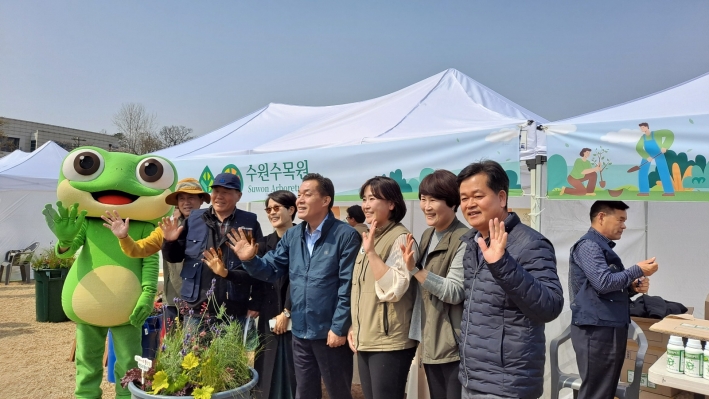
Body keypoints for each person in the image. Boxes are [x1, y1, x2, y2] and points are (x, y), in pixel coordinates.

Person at [228, 173, 361, 399]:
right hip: (300, 332)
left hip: (329, 332)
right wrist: (250, 259)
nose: (299, 200)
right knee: (304, 391)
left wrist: (338, 327)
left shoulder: (345, 235)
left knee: (338, 391)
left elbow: (348, 286)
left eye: (307, 194)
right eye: (299, 195)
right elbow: (270, 270)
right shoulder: (293, 235)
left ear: (326, 200)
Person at [456, 160, 563, 399]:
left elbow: (550, 307)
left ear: (501, 197)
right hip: (471, 380)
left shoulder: (531, 243)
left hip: (507, 386)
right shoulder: (472, 244)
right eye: (464, 198)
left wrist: (502, 263)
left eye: (477, 195)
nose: (469, 204)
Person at [569, 201, 658, 399]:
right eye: (620, 219)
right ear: (601, 217)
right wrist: (637, 269)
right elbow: (603, 282)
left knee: (605, 390)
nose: (624, 226)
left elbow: (605, 289)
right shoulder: (589, 246)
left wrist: (631, 288)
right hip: (596, 330)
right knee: (596, 392)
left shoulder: (599, 246)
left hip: (606, 328)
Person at [102, 177, 211, 326]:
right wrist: (124, 237)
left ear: (201, 200)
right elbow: (138, 249)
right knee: (172, 346)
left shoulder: (211, 227)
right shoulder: (166, 227)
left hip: (203, 298)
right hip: (174, 298)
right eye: (182, 198)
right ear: (177, 203)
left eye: (191, 197)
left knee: (200, 346)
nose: (186, 202)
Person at [347, 176, 418, 399]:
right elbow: (361, 290)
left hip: (390, 341)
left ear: (391, 204)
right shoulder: (371, 237)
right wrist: (354, 327)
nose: (366, 205)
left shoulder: (401, 238)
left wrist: (371, 253)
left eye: (373, 198)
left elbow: (393, 290)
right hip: (367, 337)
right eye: (364, 199)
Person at [161, 173, 264, 326]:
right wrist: (169, 242)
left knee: (232, 350)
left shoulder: (249, 222)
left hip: (234, 308)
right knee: (192, 350)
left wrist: (256, 302)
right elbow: (174, 257)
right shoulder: (194, 219)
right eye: (216, 191)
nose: (219, 196)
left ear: (239, 196)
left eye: (226, 192)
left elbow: (259, 268)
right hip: (196, 309)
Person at [402, 170, 467, 399]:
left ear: (452, 202)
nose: (426, 206)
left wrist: (416, 270)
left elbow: (455, 291)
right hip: (430, 338)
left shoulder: (464, 239)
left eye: (434, 200)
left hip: (452, 345)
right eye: (423, 199)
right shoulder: (428, 234)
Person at [253, 190, 298, 399]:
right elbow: (253, 276)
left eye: (276, 208)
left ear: (291, 209)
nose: (272, 213)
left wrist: (287, 311)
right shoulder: (262, 244)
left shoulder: (304, 239)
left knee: (296, 368)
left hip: (297, 315)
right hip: (268, 313)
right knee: (267, 365)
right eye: (268, 209)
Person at [636, 122, 674, 196]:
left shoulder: (656, 134)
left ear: (647, 127)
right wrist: (647, 156)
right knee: (642, 171)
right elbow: (638, 148)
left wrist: (665, 146)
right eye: (641, 128)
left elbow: (670, 134)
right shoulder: (643, 138)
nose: (641, 129)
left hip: (659, 153)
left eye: (643, 127)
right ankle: (644, 192)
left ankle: (669, 192)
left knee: (663, 170)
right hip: (647, 154)